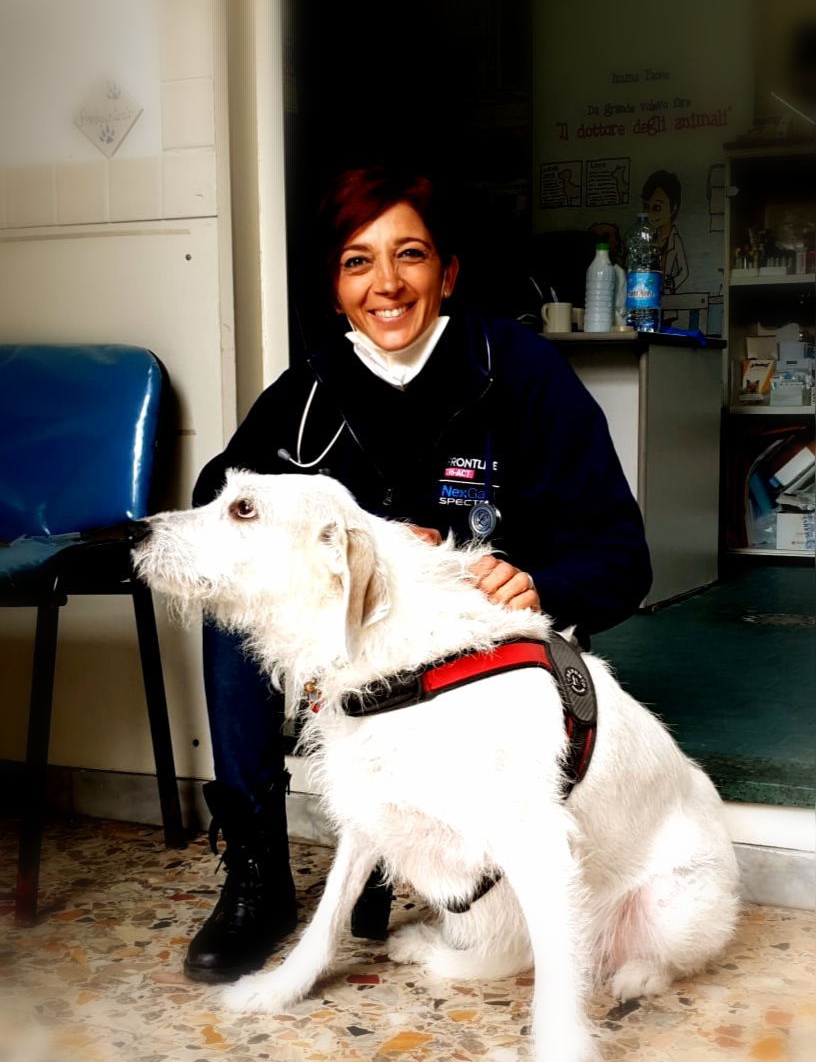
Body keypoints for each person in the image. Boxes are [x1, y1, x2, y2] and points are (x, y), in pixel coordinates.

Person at [185, 164, 653, 984]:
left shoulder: (522, 372)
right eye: (357, 262)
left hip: (478, 670)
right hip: (364, 661)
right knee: (235, 607)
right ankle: (258, 867)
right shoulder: (309, 391)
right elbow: (216, 501)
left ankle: (396, 857)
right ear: (335, 289)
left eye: (410, 254)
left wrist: (541, 583)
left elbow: (621, 555)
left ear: (448, 273)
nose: (387, 284)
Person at [641, 170, 688, 295]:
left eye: (656, 208)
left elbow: (684, 271)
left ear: (673, 209)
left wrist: (672, 283)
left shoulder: (674, 240)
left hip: (667, 296)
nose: (649, 214)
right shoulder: (646, 238)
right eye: (646, 206)